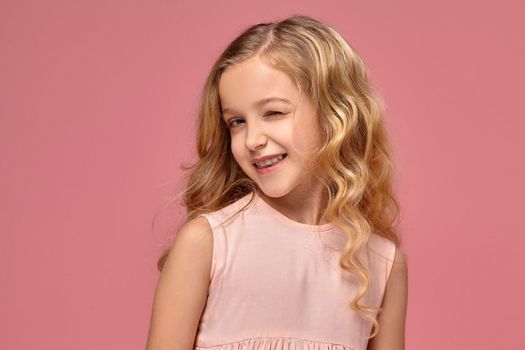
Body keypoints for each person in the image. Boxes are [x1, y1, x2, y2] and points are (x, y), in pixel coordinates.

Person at [146, 14, 408, 350]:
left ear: (336, 114)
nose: (252, 139)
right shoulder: (209, 242)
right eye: (237, 122)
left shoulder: (382, 264)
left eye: (274, 113)